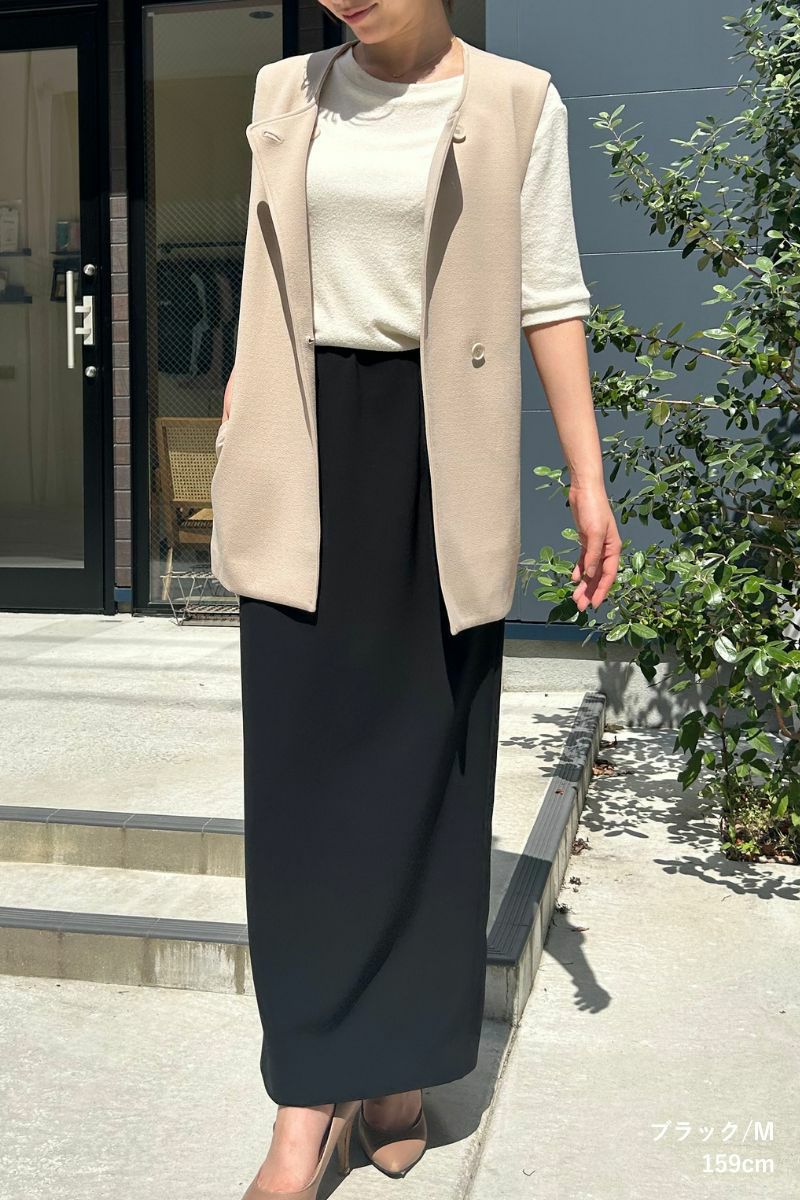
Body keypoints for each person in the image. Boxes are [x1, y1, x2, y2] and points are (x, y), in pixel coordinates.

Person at [214, 3, 622, 1197]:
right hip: (300, 457)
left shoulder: (513, 101)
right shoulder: (284, 90)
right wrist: (235, 422)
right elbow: (261, 276)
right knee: (298, 794)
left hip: (443, 462)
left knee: (426, 779)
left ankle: (395, 1076)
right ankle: (306, 1105)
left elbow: (548, 291)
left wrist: (587, 479)